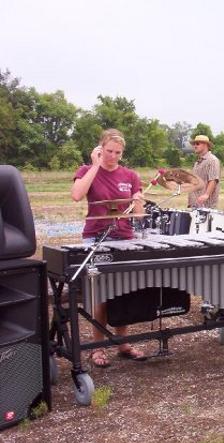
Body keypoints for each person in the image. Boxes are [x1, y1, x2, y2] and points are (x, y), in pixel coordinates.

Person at [71, 128, 146, 367]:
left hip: (124, 237)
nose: (112, 156)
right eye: (109, 151)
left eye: (117, 152)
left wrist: (137, 203)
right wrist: (95, 166)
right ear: (100, 149)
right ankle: (97, 348)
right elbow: (76, 195)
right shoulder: (86, 170)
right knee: (101, 296)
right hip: (96, 238)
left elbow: (137, 217)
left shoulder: (130, 175)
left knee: (123, 292)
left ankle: (123, 343)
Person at [188, 134, 220, 208]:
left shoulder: (212, 160)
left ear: (206, 145)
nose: (195, 146)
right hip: (195, 204)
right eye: (194, 144)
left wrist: (206, 195)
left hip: (206, 205)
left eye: (197, 144)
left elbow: (213, 179)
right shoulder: (197, 163)